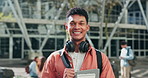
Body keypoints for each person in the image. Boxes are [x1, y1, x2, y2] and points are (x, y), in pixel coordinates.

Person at [41, 7, 115, 78]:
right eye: (72, 23)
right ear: (66, 27)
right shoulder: (53, 59)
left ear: (87, 27)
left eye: (81, 23)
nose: (77, 27)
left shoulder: (100, 58)